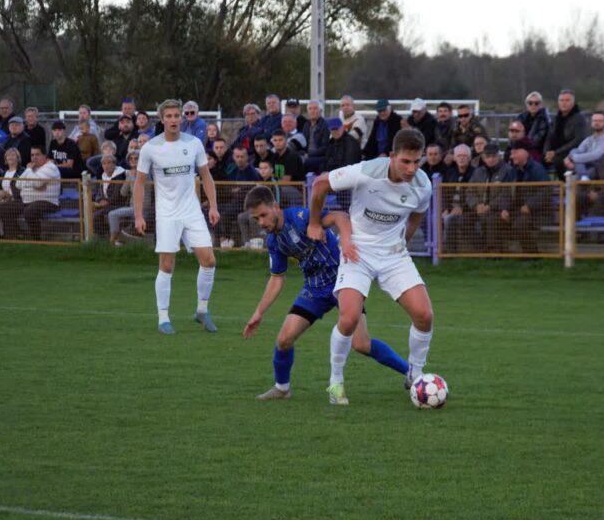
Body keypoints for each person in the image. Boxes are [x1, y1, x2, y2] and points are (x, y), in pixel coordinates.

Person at [242, 185, 410, 400]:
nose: (262, 223)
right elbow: (277, 278)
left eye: (264, 215)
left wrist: (346, 241)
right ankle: (282, 388)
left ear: (276, 206)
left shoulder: (302, 217)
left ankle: (411, 373)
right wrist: (259, 313)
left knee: (361, 343)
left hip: (344, 281)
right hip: (314, 289)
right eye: (256, 219)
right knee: (284, 339)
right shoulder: (274, 241)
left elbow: (340, 216)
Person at [307, 128, 434, 405]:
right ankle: (336, 383)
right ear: (392, 157)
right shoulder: (366, 170)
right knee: (349, 318)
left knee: (424, 315)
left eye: (417, 161)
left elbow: (417, 215)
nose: (412, 169)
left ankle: (415, 375)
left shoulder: (423, 185)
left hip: (393, 255)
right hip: (358, 252)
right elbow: (319, 184)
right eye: (405, 162)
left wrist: (404, 241)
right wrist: (315, 223)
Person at [133, 99, 221, 334]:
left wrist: (213, 206)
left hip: (192, 211)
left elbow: (206, 176)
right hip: (167, 214)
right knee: (167, 265)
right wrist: (138, 215)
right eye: (169, 116)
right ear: (161, 119)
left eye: (176, 115)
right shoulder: (150, 147)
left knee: (209, 260)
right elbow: (140, 183)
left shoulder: (194, 144)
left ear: (182, 117)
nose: (173, 120)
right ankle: (163, 317)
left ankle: (202, 310)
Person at [14, 146, 62, 241]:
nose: (34, 158)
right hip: (28, 200)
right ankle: (12, 238)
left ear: (45, 156)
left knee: (29, 211)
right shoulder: (32, 169)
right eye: (32, 155)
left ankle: (36, 240)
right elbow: (18, 184)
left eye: (37, 154)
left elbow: (36, 183)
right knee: (3, 208)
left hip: (48, 202)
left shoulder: (50, 168)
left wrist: (28, 173)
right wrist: (34, 185)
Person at [564, 111, 604, 178]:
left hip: (601, 167)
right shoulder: (589, 139)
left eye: (600, 121)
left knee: (580, 163)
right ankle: (584, 177)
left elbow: (595, 156)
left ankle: (583, 178)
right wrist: (568, 158)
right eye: (594, 121)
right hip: (587, 166)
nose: (597, 123)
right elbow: (578, 151)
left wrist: (573, 158)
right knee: (574, 151)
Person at [302, 100, 330, 172]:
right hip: (307, 155)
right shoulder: (306, 125)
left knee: (305, 162)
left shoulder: (325, 125)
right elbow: (303, 144)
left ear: (320, 111)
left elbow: (325, 147)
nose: (312, 111)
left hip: (321, 156)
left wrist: (309, 154)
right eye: (310, 109)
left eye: (315, 108)